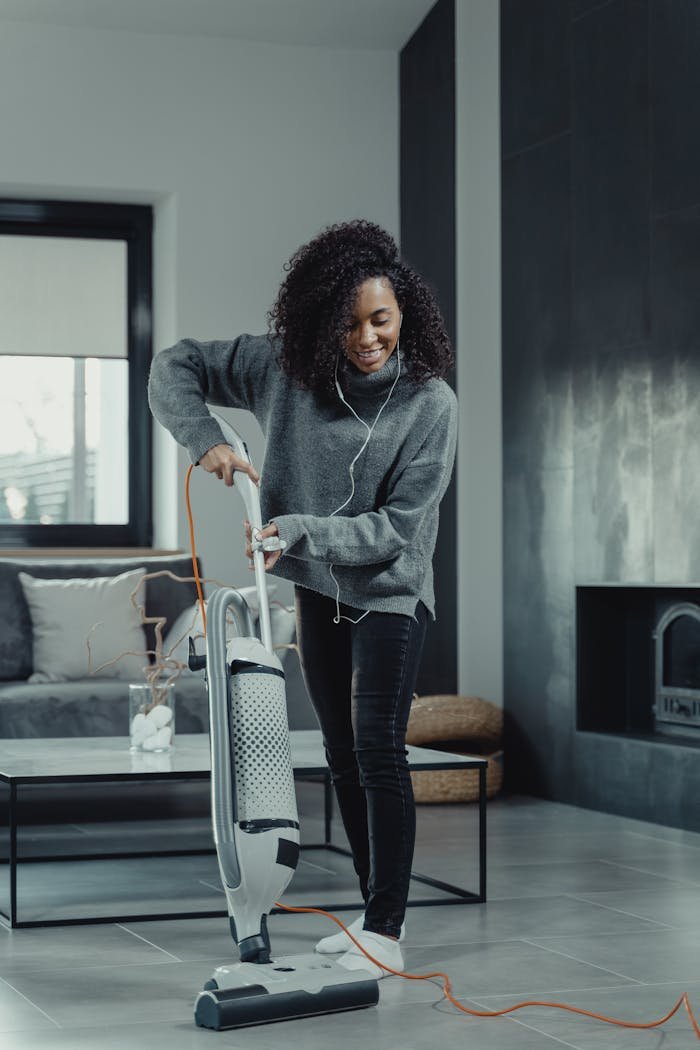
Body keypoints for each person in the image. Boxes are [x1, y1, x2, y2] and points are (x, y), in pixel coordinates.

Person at [148, 219, 457, 978]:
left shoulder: (430, 404)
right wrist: (206, 440)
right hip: (320, 587)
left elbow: (398, 529)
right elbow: (172, 366)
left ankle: (386, 927)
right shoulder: (280, 370)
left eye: (380, 319)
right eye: (348, 322)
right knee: (341, 753)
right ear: (320, 320)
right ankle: (366, 916)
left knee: (378, 745)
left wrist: (296, 529)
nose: (366, 337)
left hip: (389, 589)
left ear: (404, 313)